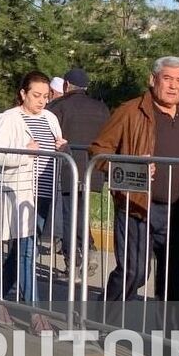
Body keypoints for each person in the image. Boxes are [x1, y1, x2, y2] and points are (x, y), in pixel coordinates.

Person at [89, 56, 179, 306]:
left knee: (174, 280)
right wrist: (130, 166)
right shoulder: (130, 111)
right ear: (152, 79)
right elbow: (98, 150)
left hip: (176, 210)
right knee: (135, 273)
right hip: (139, 207)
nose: (174, 86)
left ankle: (169, 340)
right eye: (167, 79)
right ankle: (101, 321)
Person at [0, 72, 65, 335]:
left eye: (46, 96)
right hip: (19, 193)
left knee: (21, 252)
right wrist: (23, 152)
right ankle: (36, 314)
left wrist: (60, 147)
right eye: (36, 95)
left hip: (43, 194)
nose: (42, 101)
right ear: (22, 93)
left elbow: (53, 150)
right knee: (27, 252)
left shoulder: (51, 118)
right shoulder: (8, 118)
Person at [46, 67, 110, 275]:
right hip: (93, 168)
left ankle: (73, 259)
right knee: (82, 211)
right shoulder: (101, 108)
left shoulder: (58, 106)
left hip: (66, 168)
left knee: (68, 215)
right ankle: (88, 250)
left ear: (66, 85)